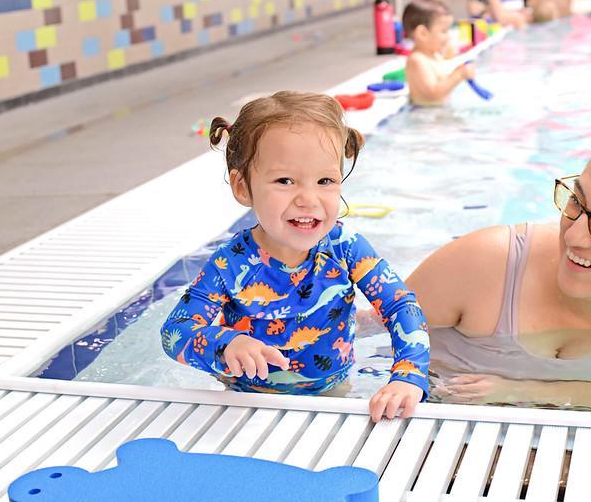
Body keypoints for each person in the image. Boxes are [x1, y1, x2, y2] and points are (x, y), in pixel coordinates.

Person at [160, 91, 430, 422]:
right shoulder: (230, 264)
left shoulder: (345, 248)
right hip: (247, 400)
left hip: (333, 390)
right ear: (243, 187)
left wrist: (407, 375)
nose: (309, 199)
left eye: (325, 180)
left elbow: (402, 306)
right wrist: (225, 343)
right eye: (285, 180)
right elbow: (176, 330)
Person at [405, 127, 591, 411]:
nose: (573, 237)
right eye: (576, 201)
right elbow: (372, 339)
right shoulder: (483, 264)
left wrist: (519, 391)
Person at [403, 0, 475, 105]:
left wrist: (449, 57)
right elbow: (433, 94)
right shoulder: (417, 60)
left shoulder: (433, 55)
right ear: (422, 34)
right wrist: (459, 74)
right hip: (425, 117)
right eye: (444, 31)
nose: (448, 37)